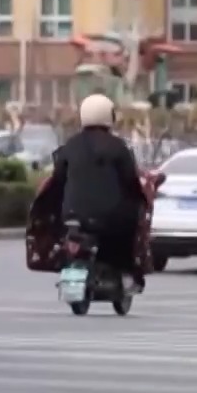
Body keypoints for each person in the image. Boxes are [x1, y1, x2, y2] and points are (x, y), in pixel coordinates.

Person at [50, 94, 149, 291]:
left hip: (71, 215)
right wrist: (141, 199)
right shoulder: (118, 147)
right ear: (109, 116)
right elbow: (130, 181)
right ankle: (126, 274)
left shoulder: (70, 146)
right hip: (109, 218)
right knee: (128, 228)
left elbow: (58, 179)